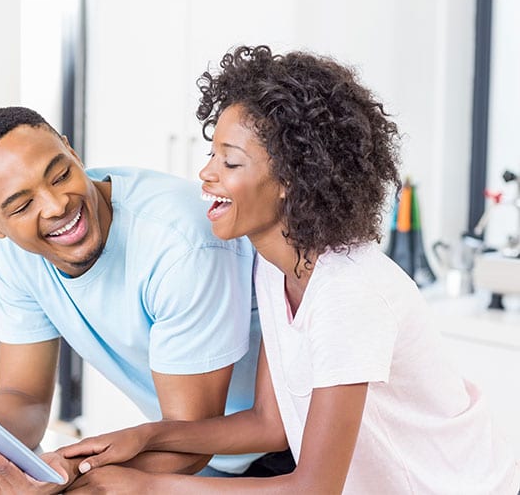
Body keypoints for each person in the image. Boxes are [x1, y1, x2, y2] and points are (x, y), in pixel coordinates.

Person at [54, 45, 520, 494]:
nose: (207, 174)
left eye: (230, 161)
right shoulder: (276, 268)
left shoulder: (347, 294)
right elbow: (269, 425)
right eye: (212, 154)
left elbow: (314, 488)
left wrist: (149, 487)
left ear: (292, 180)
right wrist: (147, 436)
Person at [0, 105, 294, 492]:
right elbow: (22, 395)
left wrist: (70, 473)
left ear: (73, 152)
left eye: (60, 175)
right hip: (184, 457)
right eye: (22, 206)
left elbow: (192, 438)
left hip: (277, 454)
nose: (56, 206)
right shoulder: (16, 258)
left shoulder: (180, 244)